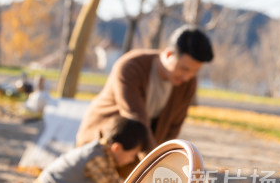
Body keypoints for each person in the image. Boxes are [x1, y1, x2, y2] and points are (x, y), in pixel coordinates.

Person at [76, 25, 214, 154]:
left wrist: (166, 157)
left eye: (194, 72)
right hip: (102, 143)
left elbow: (173, 127)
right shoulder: (131, 67)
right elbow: (136, 118)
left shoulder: (188, 83)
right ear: (168, 54)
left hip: (136, 154)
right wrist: (156, 161)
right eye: (184, 69)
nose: (187, 76)